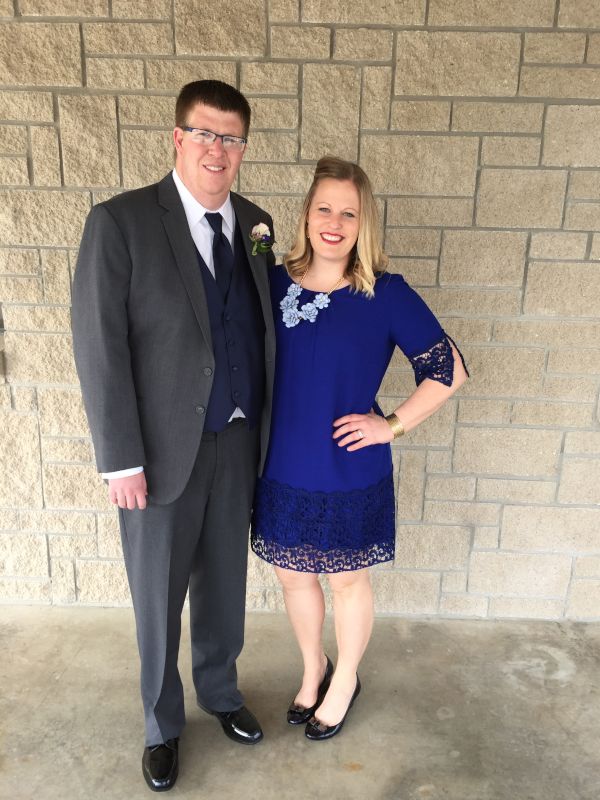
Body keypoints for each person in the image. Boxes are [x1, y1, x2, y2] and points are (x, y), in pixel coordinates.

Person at [71, 80, 276, 792]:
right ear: (178, 138)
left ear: (243, 148)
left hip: (238, 443)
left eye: (232, 138)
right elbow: (100, 345)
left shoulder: (257, 224)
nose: (218, 150)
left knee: (224, 584)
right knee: (157, 597)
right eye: (205, 133)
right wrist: (119, 458)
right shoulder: (120, 222)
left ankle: (220, 691)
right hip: (157, 455)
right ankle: (162, 725)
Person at [251, 156, 469, 741]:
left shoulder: (385, 293)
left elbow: (449, 371)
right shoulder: (272, 282)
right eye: (324, 208)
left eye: (348, 213)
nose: (334, 222)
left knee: (347, 580)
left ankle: (345, 678)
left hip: (349, 465)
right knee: (293, 576)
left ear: (363, 222)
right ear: (307, 213)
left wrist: (391, 425)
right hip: (282, 460)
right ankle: (313, 668)